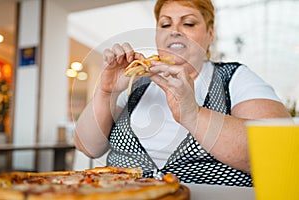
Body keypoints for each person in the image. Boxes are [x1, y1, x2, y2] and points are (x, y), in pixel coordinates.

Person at [74, 0, 291, 187]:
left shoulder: (234, 77)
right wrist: (106, 92)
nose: (174, 30)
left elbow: (282, 154)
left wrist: (193, 115)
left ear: (210, 33)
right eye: (165, 24)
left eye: (188, 23)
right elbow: (88, 146)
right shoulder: (134, 82)